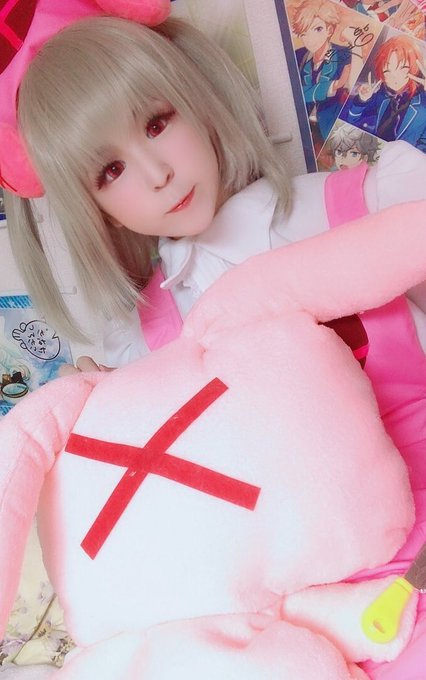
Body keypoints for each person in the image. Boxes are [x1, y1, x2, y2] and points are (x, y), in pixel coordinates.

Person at [2, 2, 426, 677]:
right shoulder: (144, 336)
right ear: (94, 209)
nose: (157, 173)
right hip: (290, 609)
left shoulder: (346, 206)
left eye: (156, 123)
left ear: (195, 98)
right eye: (110, 171)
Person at [341, 34, 426, 151]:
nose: (394, 77)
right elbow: (350, 123)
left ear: (414, 69)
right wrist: (362, 101)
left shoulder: (423, 104)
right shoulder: (382, 96)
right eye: (387, 70)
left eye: (403, 68)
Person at [290, 0, 352, 149]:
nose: (310, 39)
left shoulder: (344, 54)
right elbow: (295, 93)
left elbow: (352, 91)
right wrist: (333, 86)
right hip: (300, 128)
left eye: (317, 29)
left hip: (331, 129)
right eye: (304, 33)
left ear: (329, 30)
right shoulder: (298, 56)